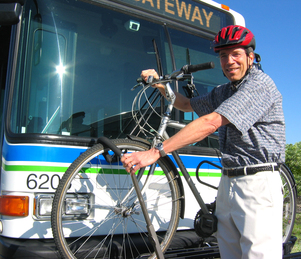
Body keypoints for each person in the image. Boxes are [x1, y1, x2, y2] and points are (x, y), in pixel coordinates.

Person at [121, 25, 285, 258]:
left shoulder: (260, 85)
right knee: (230, 254)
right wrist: (160, 85)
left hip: (257, 182)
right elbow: (187, 104)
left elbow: (211, 122)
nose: (229, 61)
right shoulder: (224, 91)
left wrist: (156, 152)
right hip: (228, 182)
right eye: (223, 55)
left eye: (236, 54)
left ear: (250, 57)